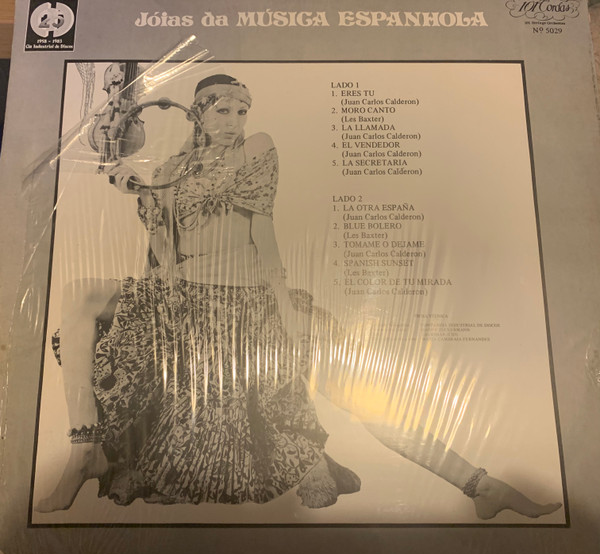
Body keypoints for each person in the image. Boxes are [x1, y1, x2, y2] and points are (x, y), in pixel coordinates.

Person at [37, 75, 561, 519]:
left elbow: (262, 230)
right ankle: (84, 449)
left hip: (253, 303)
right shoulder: (170, 171)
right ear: (196, 114)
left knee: (357, 391)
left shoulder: (255, 149)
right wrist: (143, 195)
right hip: (189, 305)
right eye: (222, 109)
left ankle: (480, 486)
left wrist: (285, 306)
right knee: (81, 295)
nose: (235, 119)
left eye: (241, 110)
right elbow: (164, 255)